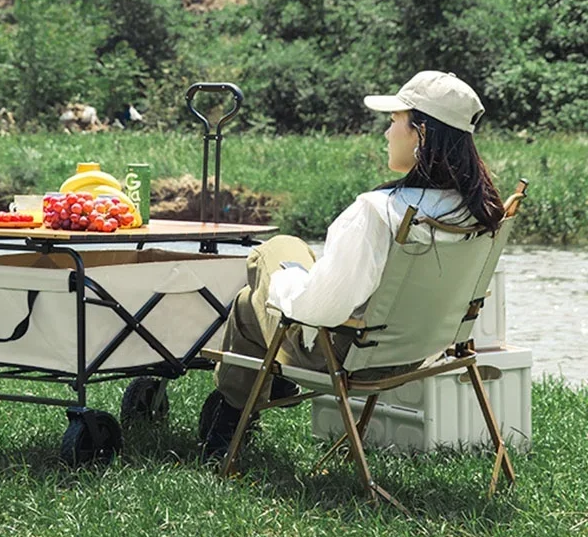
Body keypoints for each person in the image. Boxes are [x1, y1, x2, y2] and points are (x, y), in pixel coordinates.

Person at [201, 70, 505, 460]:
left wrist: (285, 282)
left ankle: (229, 420)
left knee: (262, 272)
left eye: (394, 120)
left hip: (350, 357)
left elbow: (318, 310)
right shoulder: (481, 212)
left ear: (421, 134)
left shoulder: (378, 213)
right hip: (421, 351)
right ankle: (238, 409)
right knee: (279, 271)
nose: (386, 133)